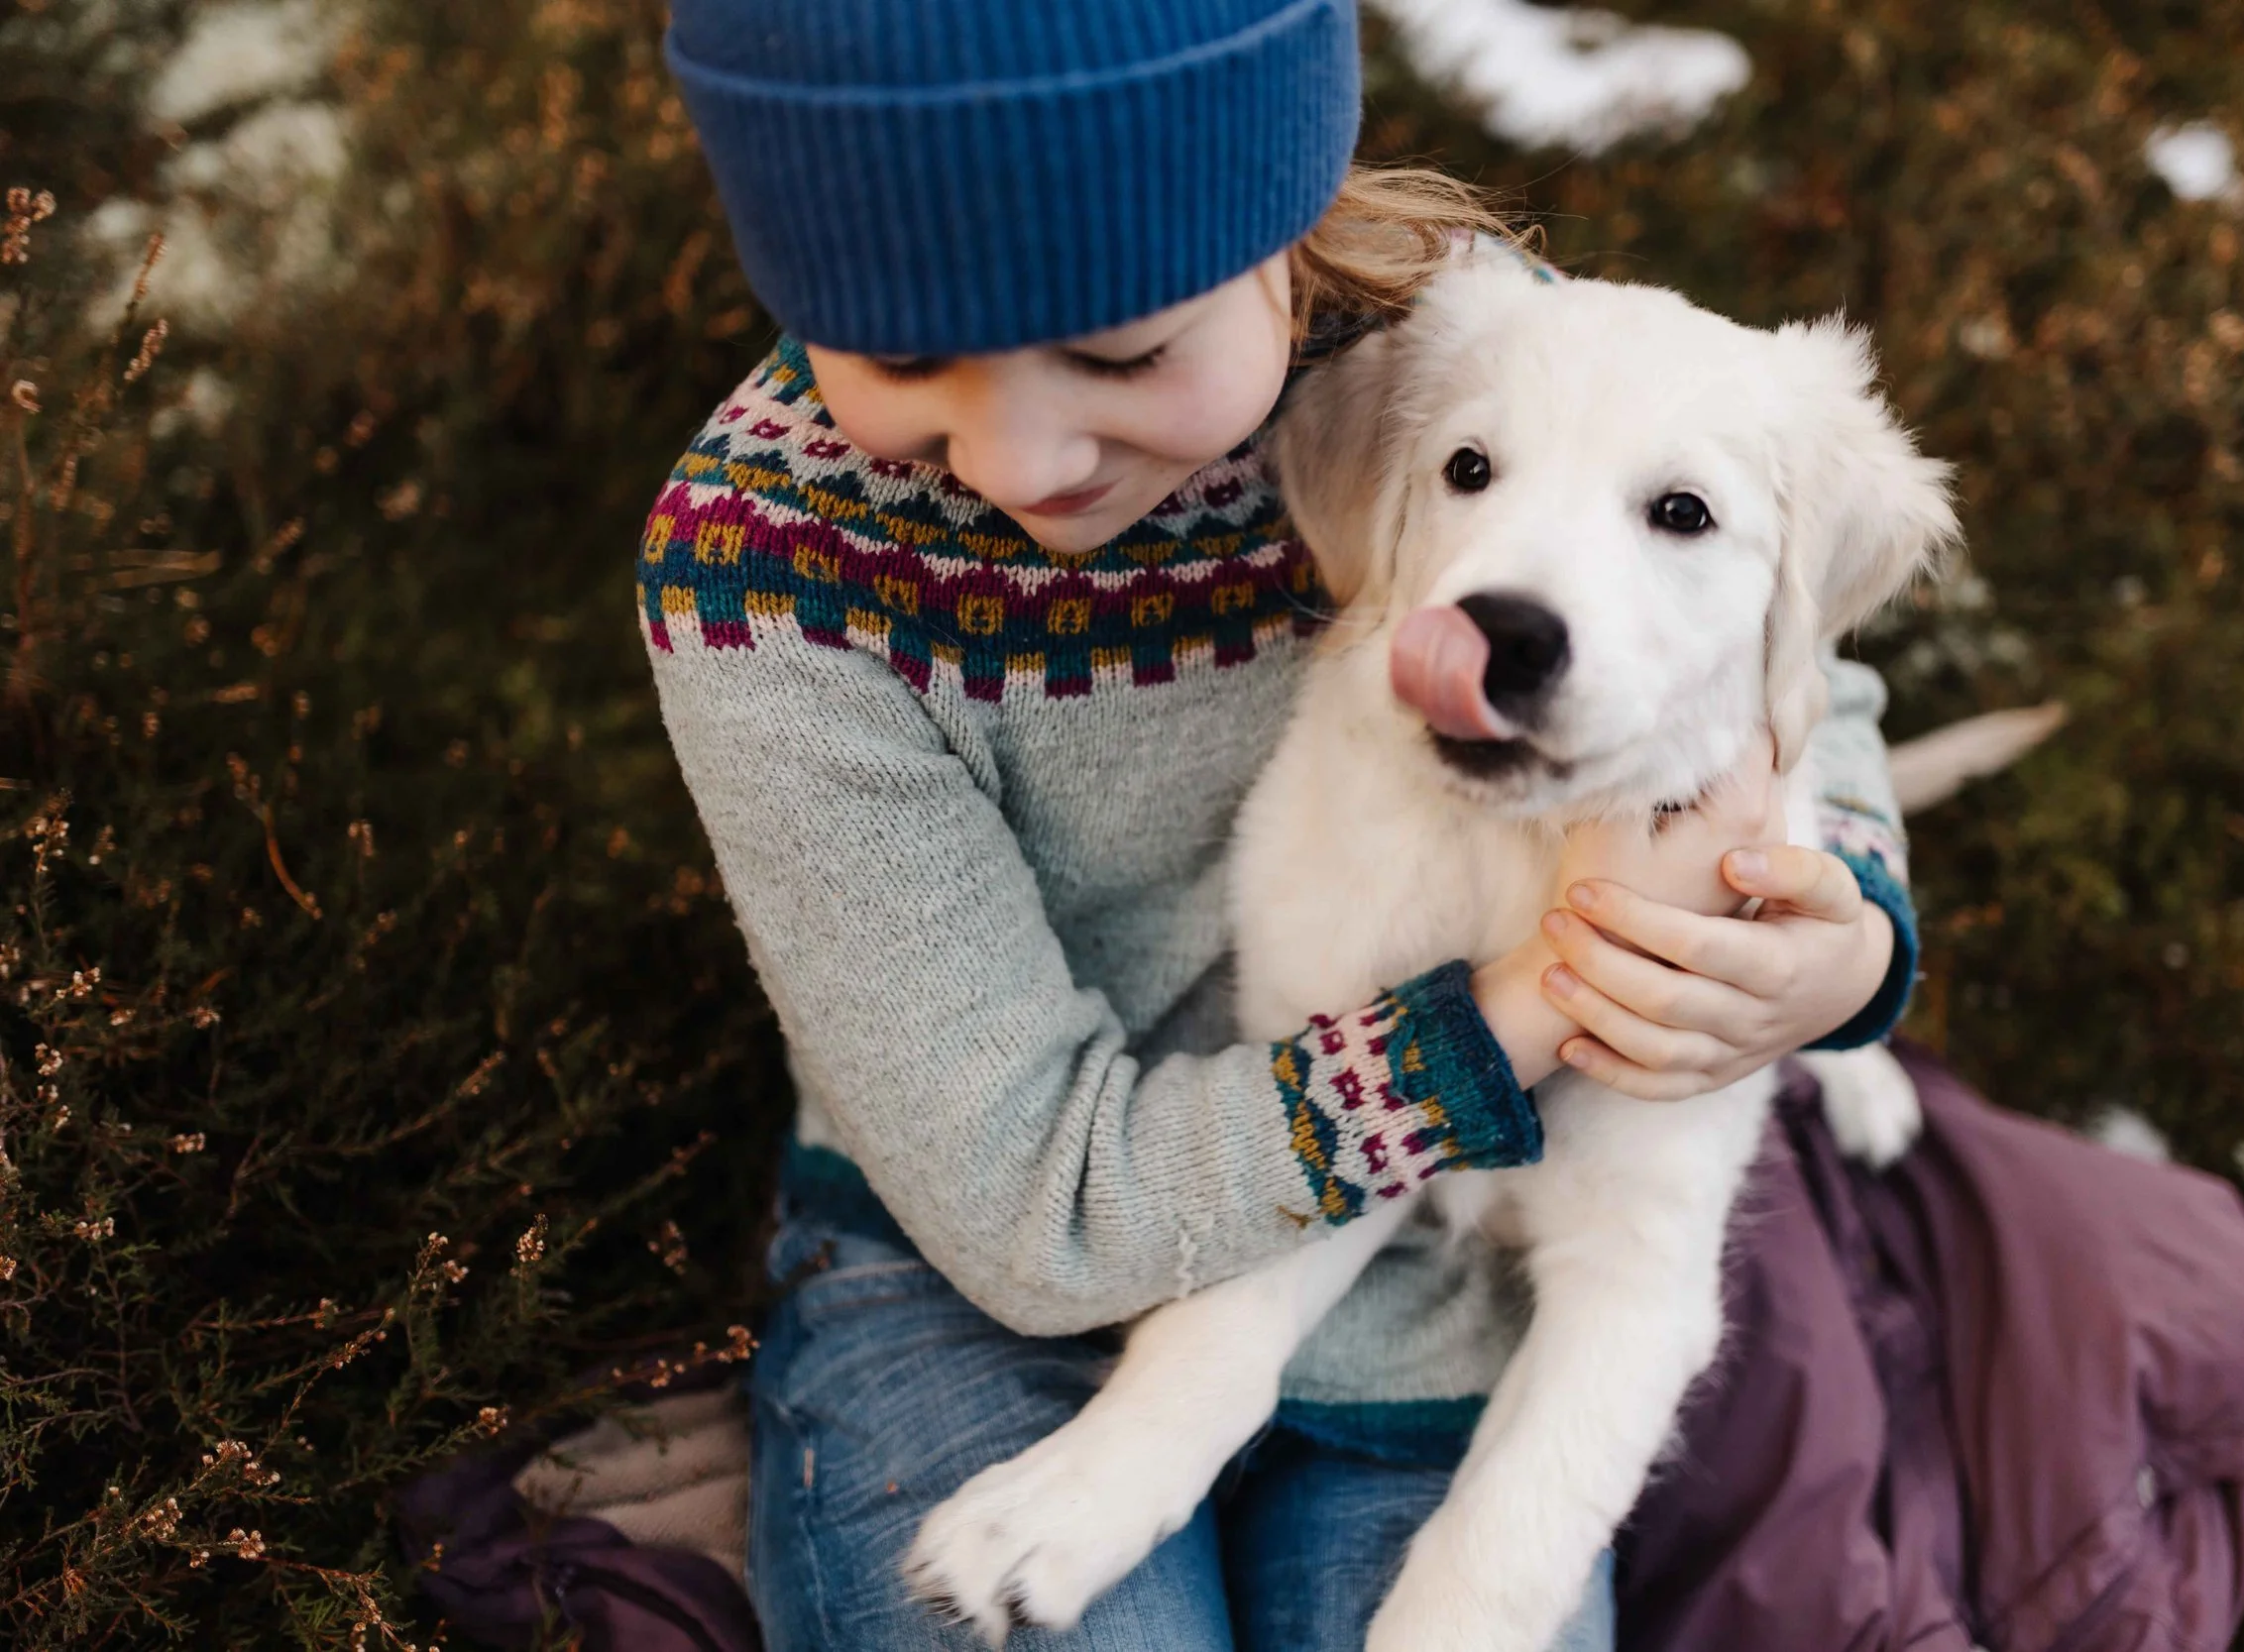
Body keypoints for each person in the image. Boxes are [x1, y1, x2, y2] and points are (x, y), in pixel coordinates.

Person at [644, 1, 1918, 1645]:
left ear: (1277, 234)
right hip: (984, 1266)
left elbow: (1800, 672)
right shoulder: (771, 579)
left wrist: (1850, 938)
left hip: (1429, 1310)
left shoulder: (1474, 352)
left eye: (1118, 352)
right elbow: (1035, 1209)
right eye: (901, 353)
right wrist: (1552, 996)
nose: (1026, 454)